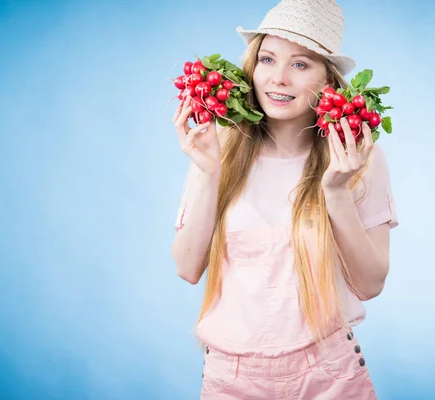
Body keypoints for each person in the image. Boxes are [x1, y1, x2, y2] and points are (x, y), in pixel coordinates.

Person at [171, 0, 398, 398]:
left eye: (299, 64)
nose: (278, 79)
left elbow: (370, 284)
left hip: (329, 373)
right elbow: (189, 268)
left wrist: (335, 192)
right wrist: (210, 175)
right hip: (231, 376)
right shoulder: (217, 147)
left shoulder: (358, 157)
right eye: (267, 59)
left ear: (328, 82)